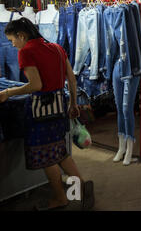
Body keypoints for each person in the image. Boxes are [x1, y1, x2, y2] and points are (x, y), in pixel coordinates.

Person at [0, 18, 94, 211]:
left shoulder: (26, 52)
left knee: (46, 157)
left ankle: (61, 198)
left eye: (12, 40)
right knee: (60, 153)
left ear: (22, 35)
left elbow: (36, 85)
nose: (13, 45)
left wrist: (7, 92)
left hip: (40, 111)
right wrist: (74, 103)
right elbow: (72, 79)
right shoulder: (56, 48)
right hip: (60, 106)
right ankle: (80, 188)